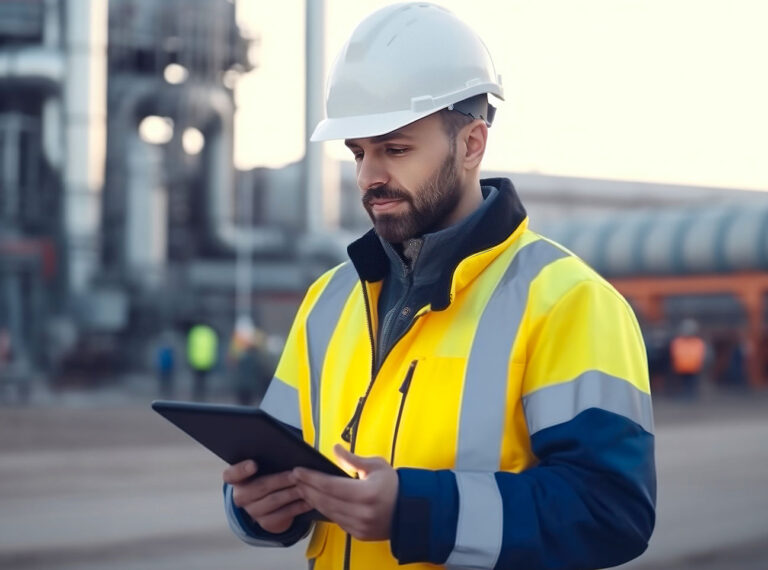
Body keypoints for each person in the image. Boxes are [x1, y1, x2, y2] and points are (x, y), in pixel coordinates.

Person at [222, 4, 655, 569]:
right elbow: (277, 460)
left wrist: (418, 510)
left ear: (472, 144)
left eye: (395, 149)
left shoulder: (569, 302)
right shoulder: (330, 299)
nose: (369, 177)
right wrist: (258, 507)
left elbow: (611, 512)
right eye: (358, 153)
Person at [669, 318, 706, 398]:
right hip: (682, 367)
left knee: (690, 384)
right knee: (685, 384)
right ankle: (686, 395)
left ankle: (690, 395)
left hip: (692, 368)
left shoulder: (697, 342)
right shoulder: (679, 342)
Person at [186, 323, 218, 402]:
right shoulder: (210, 332)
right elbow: (213, 348)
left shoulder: (194, 332)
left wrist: (189, 359)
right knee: (203, 381)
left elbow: (190, 347)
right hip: (206, 361)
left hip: (196, 361)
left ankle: (197, 397)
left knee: (197, 381)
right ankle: (202, 397)